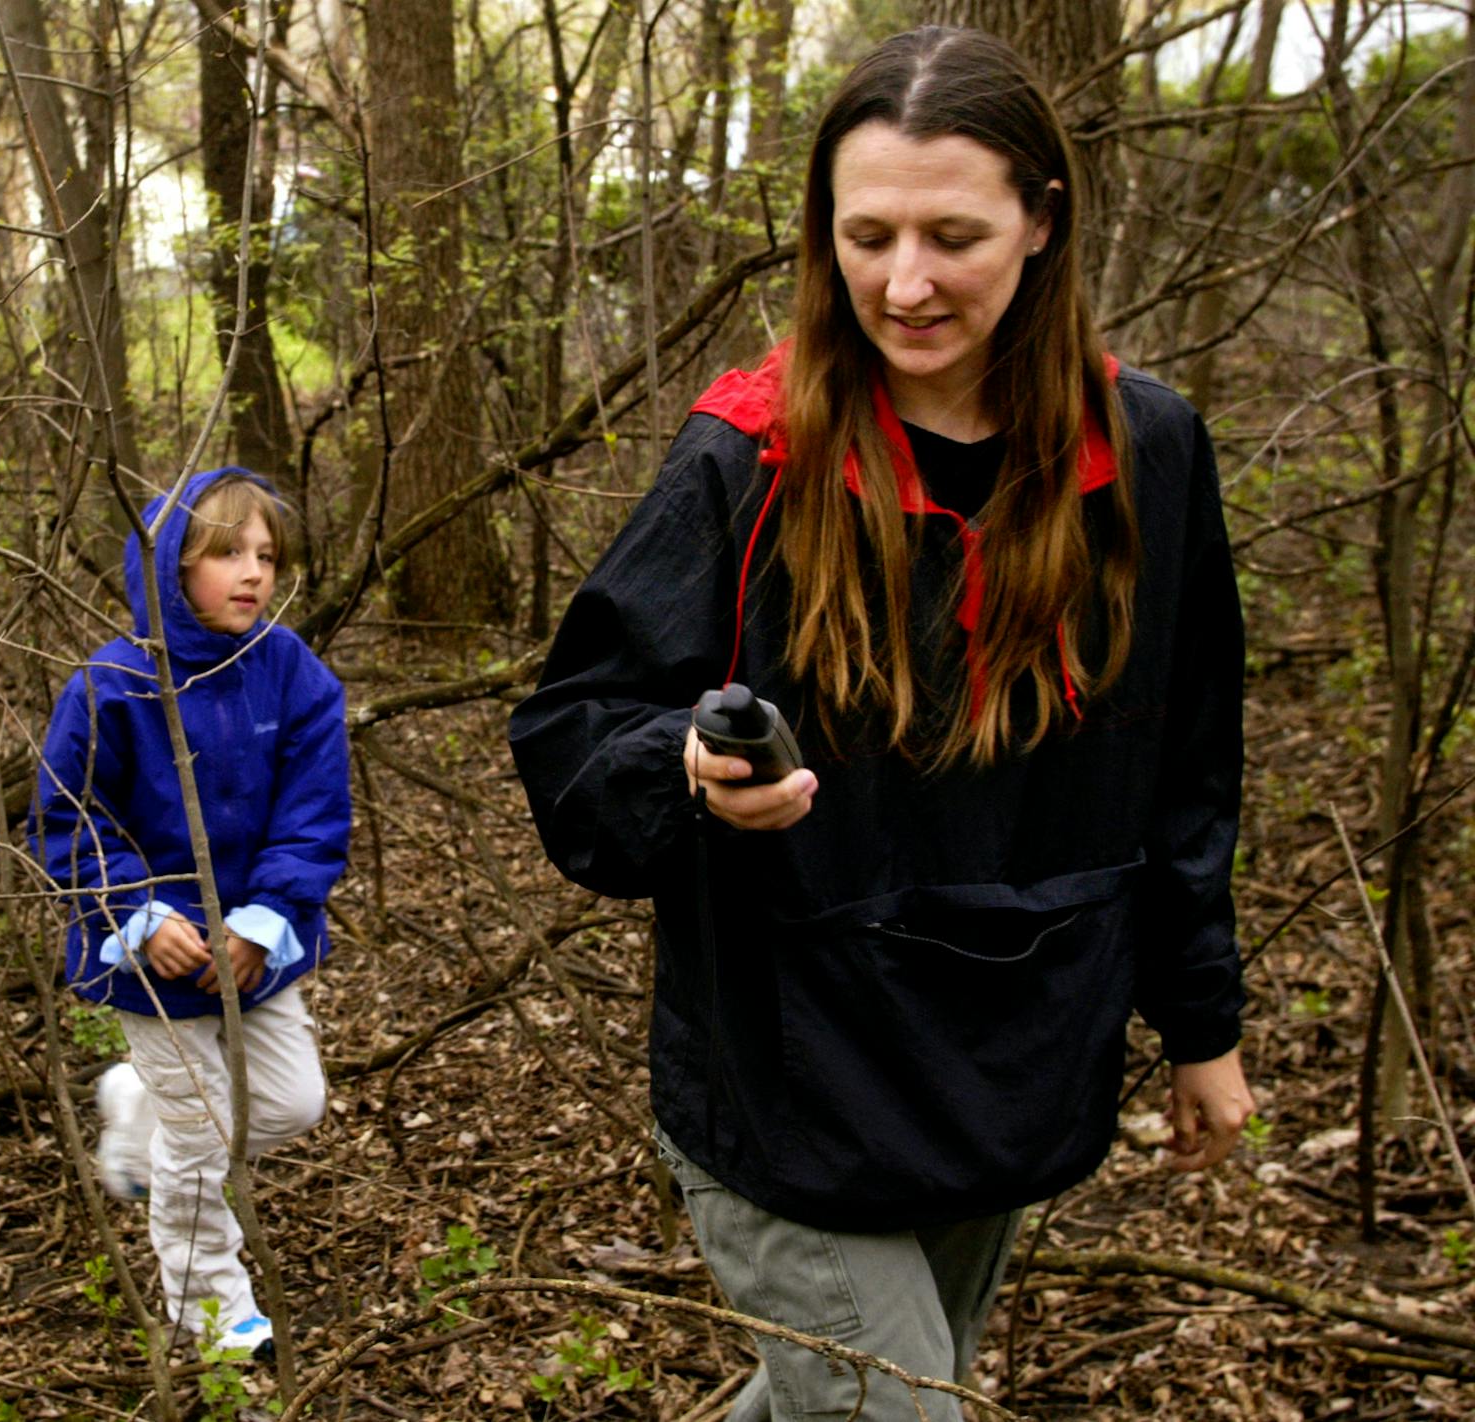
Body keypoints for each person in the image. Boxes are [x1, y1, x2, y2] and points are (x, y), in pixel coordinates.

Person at [509, 28, 1254, 1422]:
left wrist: (1200, 1022)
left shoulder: (1146, 449)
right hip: (791, 1067)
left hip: (1018, 1046)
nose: (904, 282)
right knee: (901, 1410)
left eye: (952, 234)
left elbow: (1188, 764)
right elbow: (571, 729)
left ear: (1042, 222)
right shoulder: (748, 452)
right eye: (869, 235)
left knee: (840, 1405)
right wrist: (682, 770)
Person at [32, 469, 350, 1359]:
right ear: (173, 565)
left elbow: (316, 811)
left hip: (257, 945)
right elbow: (68, 815)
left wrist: (263, 923)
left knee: (291, 1103)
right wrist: (135, 915)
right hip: (152, 958)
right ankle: (210, 1304)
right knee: (204, 1136)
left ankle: (136, 1109)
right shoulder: (113, 684)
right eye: (226, 554)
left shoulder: (292, 674)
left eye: (266, 556)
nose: (253, 573)